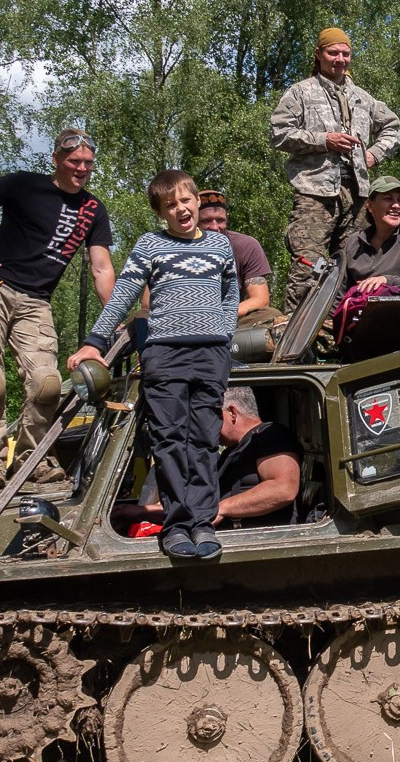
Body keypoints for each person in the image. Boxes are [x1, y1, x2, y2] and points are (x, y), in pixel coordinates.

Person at [67, 169, 238, 561]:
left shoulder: (219, 247)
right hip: (165, 353)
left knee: (204, 439)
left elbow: (232, 294)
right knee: (170, 438)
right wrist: (95, 341)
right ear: (161, 213)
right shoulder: (150, 245)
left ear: (198, 201)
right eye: (170, 205)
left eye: (185, 201)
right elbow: (124, 293)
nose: (181, 210)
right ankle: (176, 525)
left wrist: (224, 333)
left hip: (211, 355)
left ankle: (202, 522)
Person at [0, 128, 116, 490]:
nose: (81, 168)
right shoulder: (23, 184)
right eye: (74, 161)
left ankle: (32, 459)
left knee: (47, 383)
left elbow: (101, 267)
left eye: (87, 163)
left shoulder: (93, 209)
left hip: (36, 301)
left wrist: (114, 317)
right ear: (55, 159)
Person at [268, 26, 400, 316]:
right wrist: (322, 140)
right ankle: (297, 340)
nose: (340, 59)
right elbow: (278, 132)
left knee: (353, 265)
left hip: (355, 195)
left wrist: (373, 154)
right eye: (333, 52)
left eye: (345, 53)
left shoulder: (363, 98)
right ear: (319, 55)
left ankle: (346, 331)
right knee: (309, 265)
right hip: (314, 193)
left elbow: (393, 128)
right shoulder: (301, 92)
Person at [214, 386, 302, 528]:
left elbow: (283, 489)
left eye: (213, 417)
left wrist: (222, 508)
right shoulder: (230, 452)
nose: (208, 426)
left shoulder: (271, 436)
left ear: (232, 412)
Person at [196, 190, 282, 329]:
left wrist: (216, 315)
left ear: (227, 219)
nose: (215, 227)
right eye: (206, 221)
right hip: (186, 319)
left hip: (229, 318)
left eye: (220, 220)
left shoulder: (246, 246)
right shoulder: (175, 249)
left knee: (273, 316)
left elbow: (260, 300)